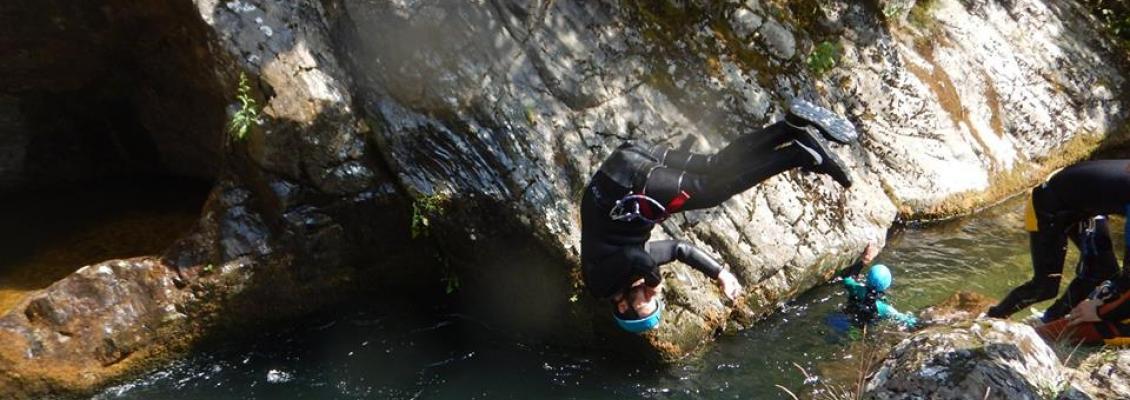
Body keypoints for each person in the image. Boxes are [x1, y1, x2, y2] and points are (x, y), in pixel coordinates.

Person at [581, 99, 858, 333]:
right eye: (654, 299)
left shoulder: (602, 285)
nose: (651, 295)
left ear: (622, 306)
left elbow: (636, 258)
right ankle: (789, 127)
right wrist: (721, 274)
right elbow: (679, 249)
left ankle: (798, 154)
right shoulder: (619, 273)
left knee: (710, 191)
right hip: (626, 162)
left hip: (625, 184)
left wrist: (654, 281)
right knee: (714, 166)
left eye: (646, 302)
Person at [986, 160, 1130, 320]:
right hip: (1047, 206)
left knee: (1103, 271)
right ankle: (994, 317)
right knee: (1046, 287)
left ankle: (1050, 321)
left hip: (1084, 207)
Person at [838, 243, 917, 329]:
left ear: (867, 279)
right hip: (861, 329)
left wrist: (864, 261)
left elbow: (847, 278)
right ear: (887, 286)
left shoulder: (856, 289)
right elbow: (906, 320)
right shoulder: (885, 308)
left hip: (842, 319)